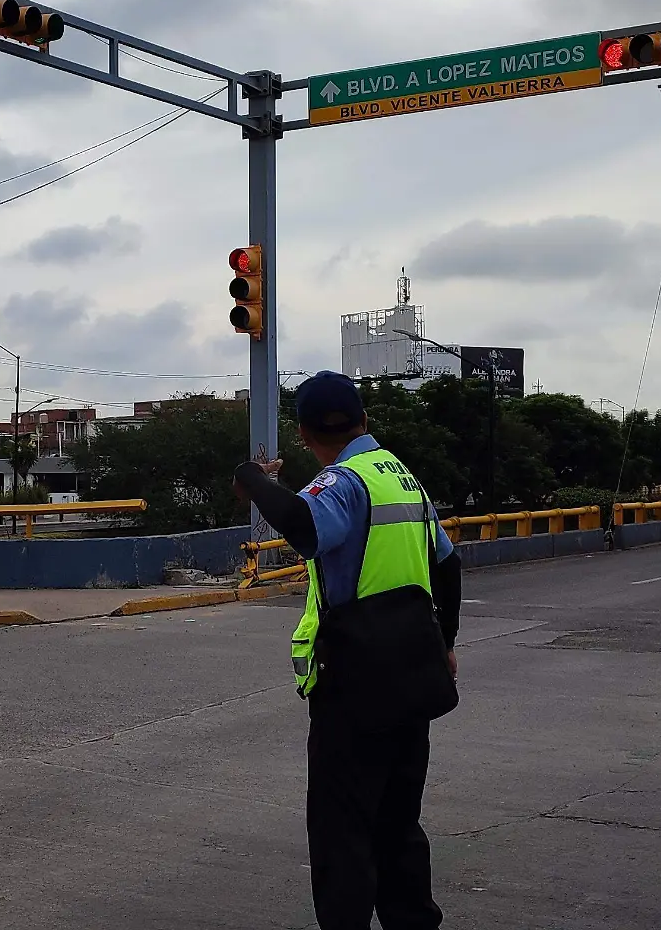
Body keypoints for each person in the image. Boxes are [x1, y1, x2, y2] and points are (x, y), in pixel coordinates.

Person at [233, 370, 462, 930]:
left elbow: (304, 526)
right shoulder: (403, 478)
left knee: (344, 837)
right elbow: (448, 563)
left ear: (306, 434)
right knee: (399, 827)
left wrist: (250, 480)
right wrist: (447, 644)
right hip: (414, 676)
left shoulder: (344, 481)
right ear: (365, 420)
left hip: (356, 683)